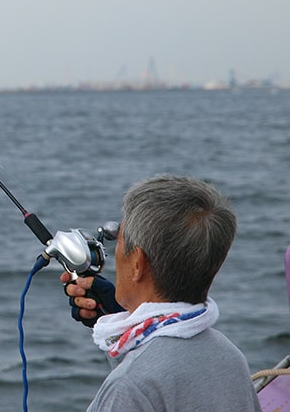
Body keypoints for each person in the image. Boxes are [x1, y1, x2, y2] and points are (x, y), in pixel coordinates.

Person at [60, 174, 261, 411]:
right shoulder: (229, 356)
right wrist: (126, 318)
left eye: (120, 240)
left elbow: (145, 381)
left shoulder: (129, 387)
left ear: (137, 264)